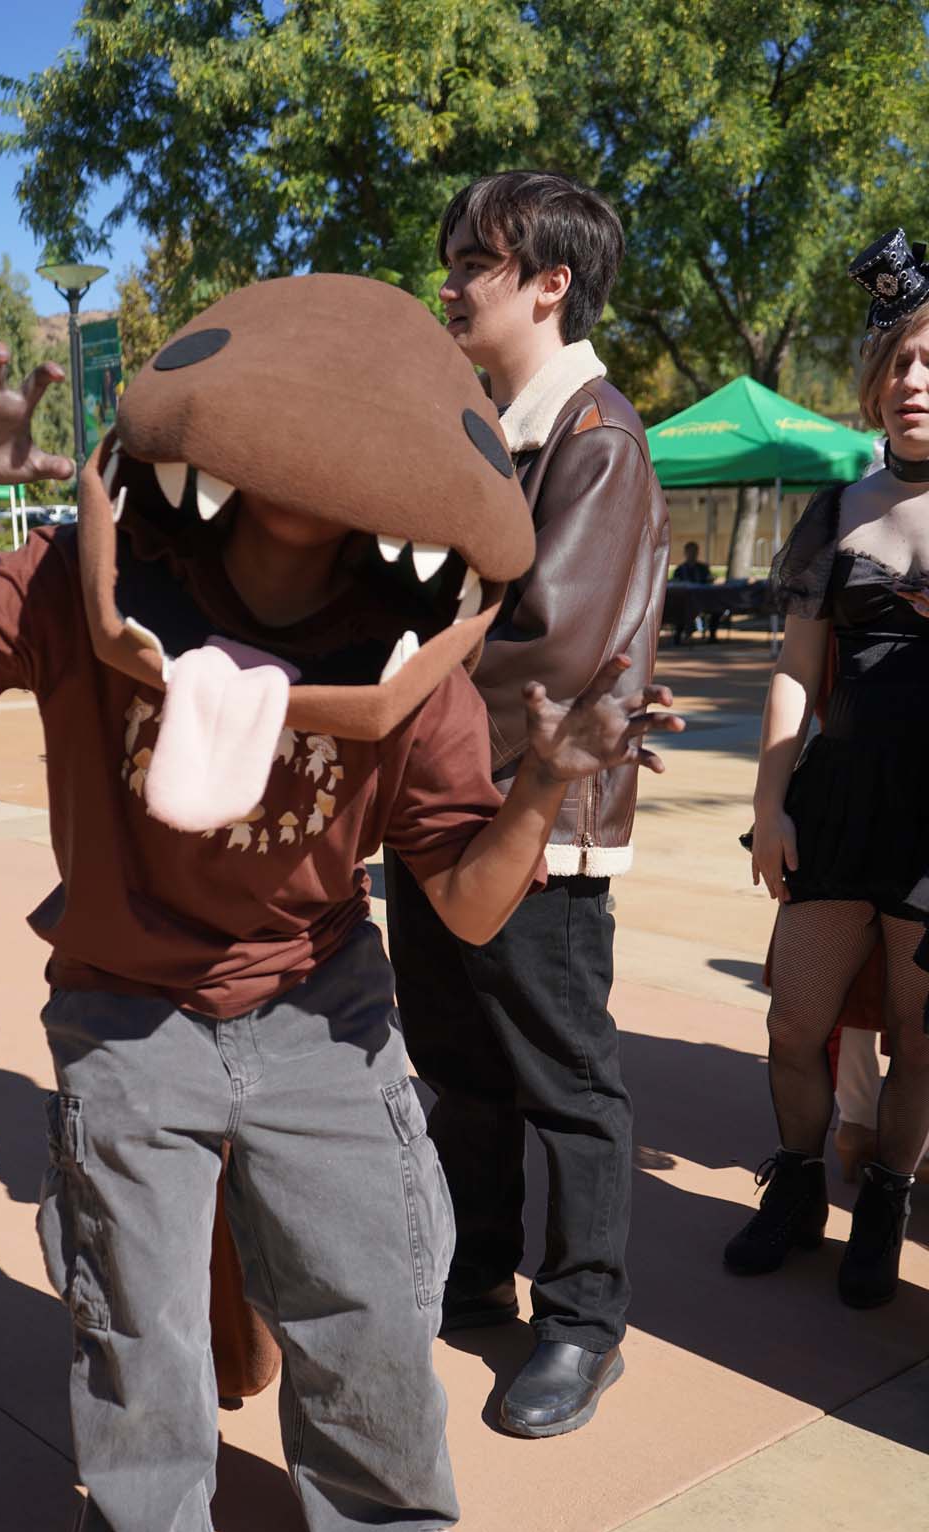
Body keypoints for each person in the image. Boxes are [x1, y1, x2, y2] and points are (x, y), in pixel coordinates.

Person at [0, 277, 679, 1532]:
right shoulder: (85, 571)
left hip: (317, 999)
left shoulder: (412, 655)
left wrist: (551, 782)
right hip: (126, 1004)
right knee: (140, 1324)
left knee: (370, 1287)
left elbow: (470, 907)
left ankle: (382, 1507)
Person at [384, 170, 669, 1439]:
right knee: (459, 1062)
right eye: (449, 256)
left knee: (565, 1078)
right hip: (449, 813)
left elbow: (553, 651)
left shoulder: (595, 435)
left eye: (473, 261)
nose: (448, 278)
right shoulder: (503, 428)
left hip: (534, 826)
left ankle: (583, 1322)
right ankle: (476, 1269)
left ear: (552, 281)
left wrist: (395, 688)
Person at [725, 225, 929, 1307]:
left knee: (918, 1042)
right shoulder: (835, 514)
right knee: (794, 1022)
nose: (916, 381)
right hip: (840, 800)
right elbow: (797, 675)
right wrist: (769, 808)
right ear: (874, 380)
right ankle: (797, 1186)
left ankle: (885, 1200)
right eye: (900, 360)